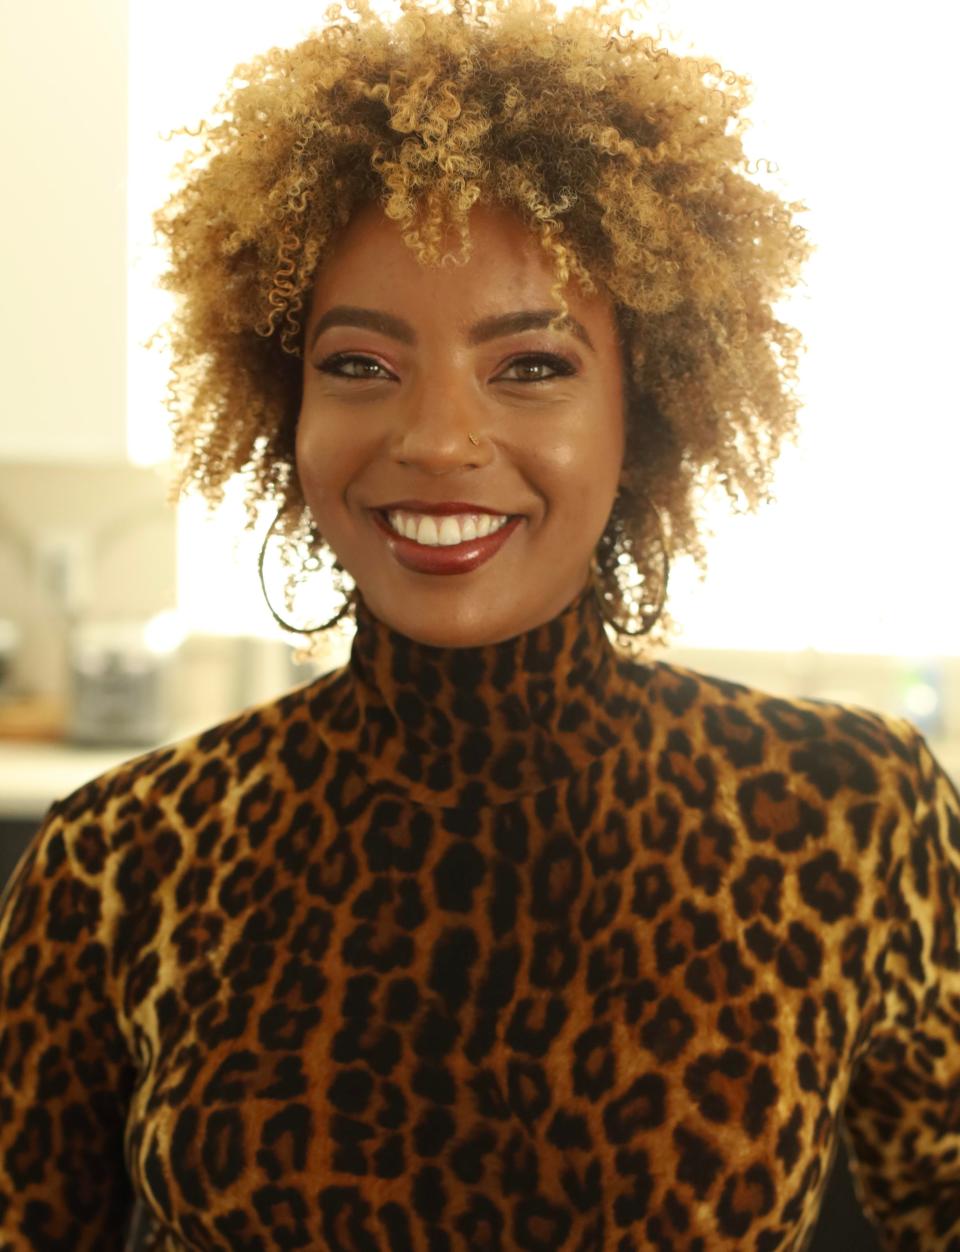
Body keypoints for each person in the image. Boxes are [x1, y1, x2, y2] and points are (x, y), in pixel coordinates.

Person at [1, 0, 958, 1248]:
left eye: (532, 365)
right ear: (282, 405)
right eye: (358, 364)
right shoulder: (121, 862)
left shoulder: (852, 814)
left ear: (646, 412)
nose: (438, 440)